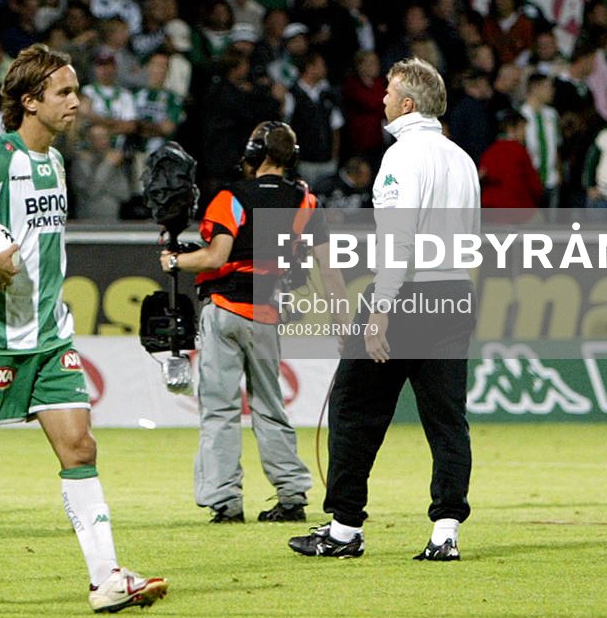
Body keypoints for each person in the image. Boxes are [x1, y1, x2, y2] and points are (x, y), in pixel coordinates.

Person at [0, 44, 165, 613]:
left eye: (75, 90)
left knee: (79, 446)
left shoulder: (53, 161)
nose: (77, 102)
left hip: (51, 334)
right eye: (64, 93)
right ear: (30, 102)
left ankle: (106, 578)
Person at [292, 57, 480, 562]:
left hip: (406, 295)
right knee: (447, 420)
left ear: (408, 104)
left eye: (389, 92)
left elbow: (399, 243)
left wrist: (380, 312)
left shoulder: (401, 158)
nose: (381, 100)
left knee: (354, 408)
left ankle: (345, 528)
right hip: (455, 291)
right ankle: (446, 532)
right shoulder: (462, 160)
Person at [158, 120, 315, 524]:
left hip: (226, 308)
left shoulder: (231, 197)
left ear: (254, 154)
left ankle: (225, 500)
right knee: (270, 405)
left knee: (219, 409)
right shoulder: (304, 200)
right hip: (267, 311)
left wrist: (176, 260)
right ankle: (292, 494)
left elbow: (214, 258)